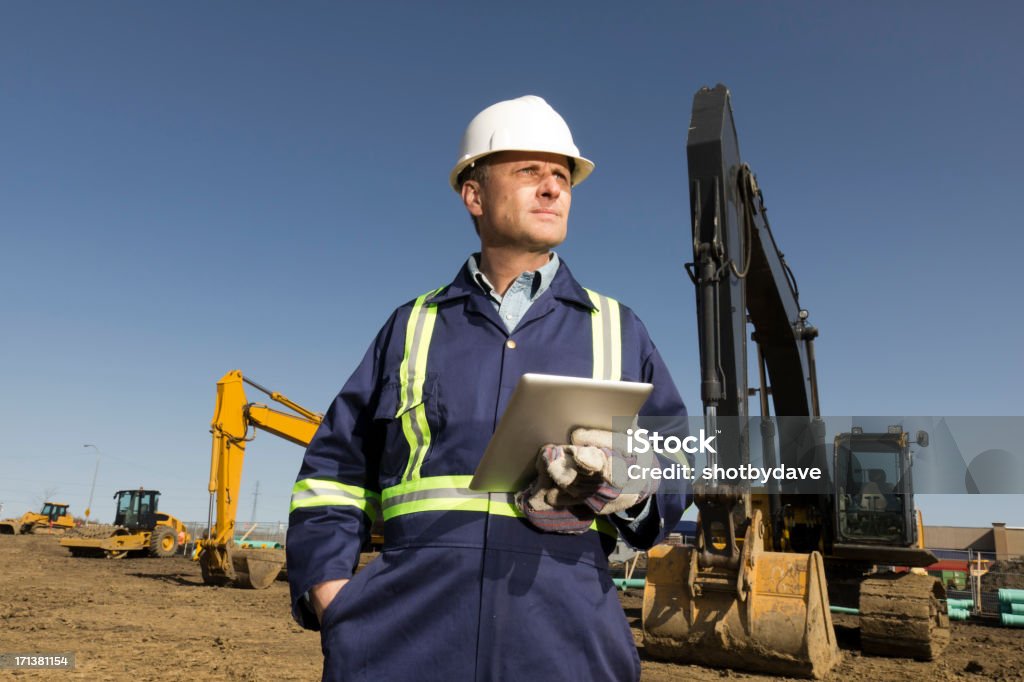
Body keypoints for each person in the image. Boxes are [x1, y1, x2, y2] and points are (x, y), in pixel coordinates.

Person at [286, 95, 690, 682]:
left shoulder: (618, 330)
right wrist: (332, 595)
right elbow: (332, 476)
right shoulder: (412, 326)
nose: (552, 188)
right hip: (403, 640)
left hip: (566, 638)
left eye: (562, 176)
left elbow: (677, 457)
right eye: (530, 172)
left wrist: (633, 486)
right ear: (474, 195)